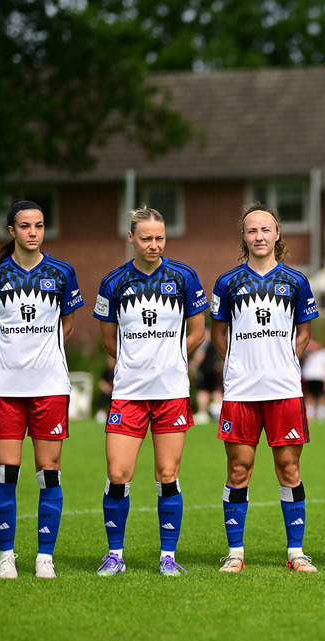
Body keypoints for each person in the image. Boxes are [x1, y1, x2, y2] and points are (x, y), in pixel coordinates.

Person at [0, 199, 84, 579]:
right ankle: (6, 556)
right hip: (4, 389)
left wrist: (43, 357)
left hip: (50, 387)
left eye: (38, 225)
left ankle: (44, 558)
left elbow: (66, 327)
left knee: (48, 472)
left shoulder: (62, 272)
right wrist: (2, 363)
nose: (32, 232)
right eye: (25, 226)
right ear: (11, 231)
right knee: (6, 473)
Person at [93, 206, 208, 577]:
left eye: (159, 238)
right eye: (146, 238)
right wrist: (135, 364)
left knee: (167, 472)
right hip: (128, 393)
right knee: (118, 472)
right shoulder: (113, 282)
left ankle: (168, 556)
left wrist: (171, 358)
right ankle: (115, 555)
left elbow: (199, 332)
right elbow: (109, 340)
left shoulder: (185, 277)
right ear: (131, 238)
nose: (154, 244)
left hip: (172, 390)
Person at [210, 202, 320, 573]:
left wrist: (285, 360)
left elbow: (305, 331)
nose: (259, 236)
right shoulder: (227, 283)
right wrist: (238, 363)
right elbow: (218, 333)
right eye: (252, 230)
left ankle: (296, 552)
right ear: (244, 237)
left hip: (284, 389)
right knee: (238, 470)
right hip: (241, 392)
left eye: (265, 230)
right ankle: (235, 553)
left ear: (277, 235)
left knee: (289, 470)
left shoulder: (296, 281)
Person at [300, 341, 325, 420]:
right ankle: (314, 414)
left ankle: (319, 415)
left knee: (316, 395)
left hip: (317, 376)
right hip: (313, 376)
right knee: (313, 395)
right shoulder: (311, 354)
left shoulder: (323, 354)